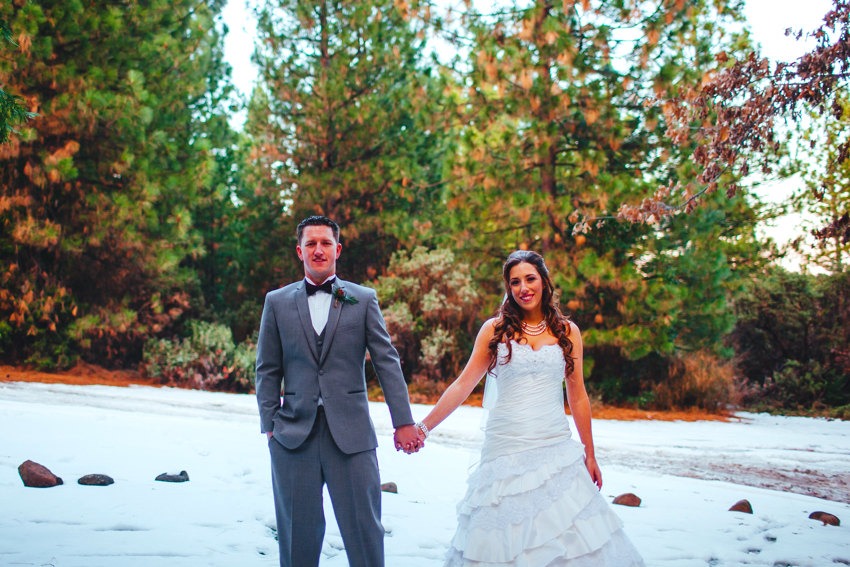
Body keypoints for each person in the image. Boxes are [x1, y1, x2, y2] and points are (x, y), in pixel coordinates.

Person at [413, 250, 645, 566]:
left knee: (568, 535)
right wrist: (423, 427)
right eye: (515, 282)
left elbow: (578, 396)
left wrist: (590, 454)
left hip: (553, 445)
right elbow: (462, 385)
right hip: (505, 447)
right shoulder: (495, 330)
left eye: (530, 279)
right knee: (503, 535)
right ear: (508, 288)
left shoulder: (567, 332)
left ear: (544, 281)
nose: (523, 288)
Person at [255, 215, 423, 567]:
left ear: (338, 249)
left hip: (352, 437)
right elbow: (267, 369)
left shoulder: (362, 299)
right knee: (296, 539)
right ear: (299, 251)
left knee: (364, 533)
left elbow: (386, 362)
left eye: (325, 243)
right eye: (311, 243)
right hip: (292, 438)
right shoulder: (277, 302)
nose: (318, 250)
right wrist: (270, 426)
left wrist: (403, 422)